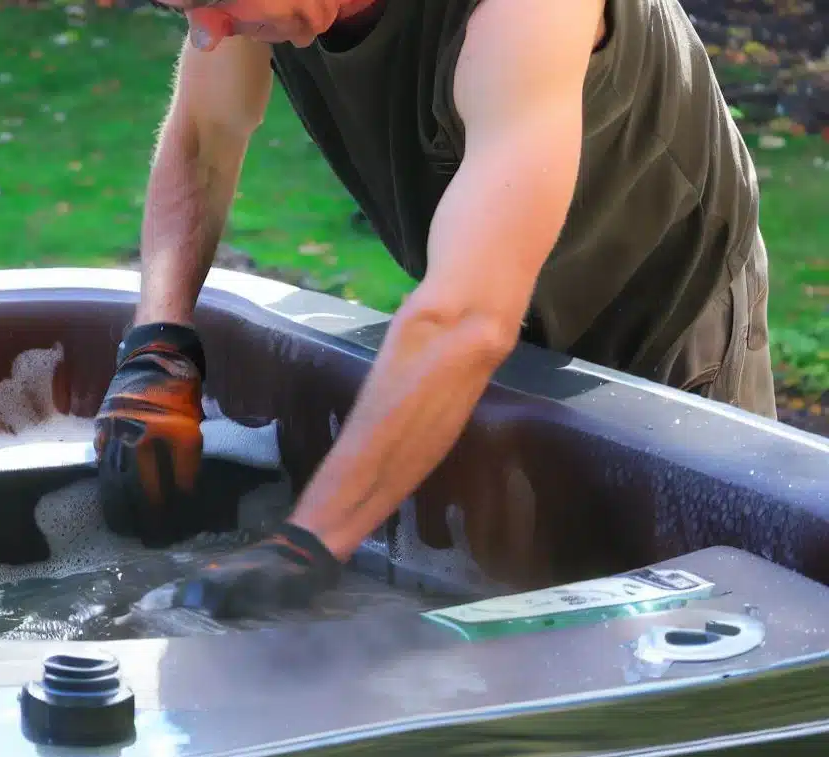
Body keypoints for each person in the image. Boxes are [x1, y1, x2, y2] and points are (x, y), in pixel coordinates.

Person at [93, 0, 777, 620]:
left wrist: (305, 545)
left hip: (665, 332)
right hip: (502, 330)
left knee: (683, 636)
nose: (206, 30)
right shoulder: (245, 11)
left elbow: (466, 317)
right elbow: (203, 140)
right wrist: (157, 345)